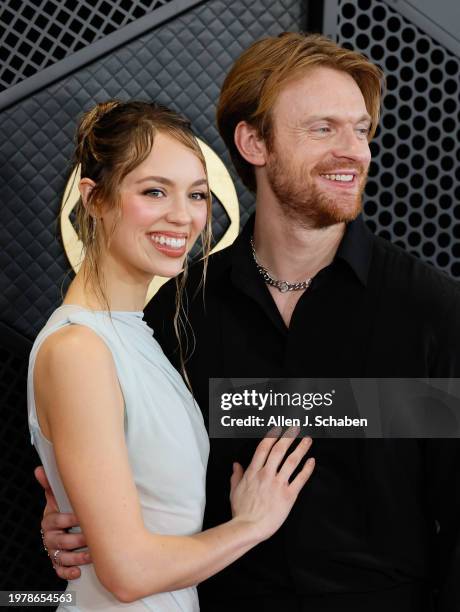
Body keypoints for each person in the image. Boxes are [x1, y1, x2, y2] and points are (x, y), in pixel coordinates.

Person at [38, 33, 460, 611]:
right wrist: (73, 508)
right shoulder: (177, 313)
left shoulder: (434, 313)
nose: (355, 151)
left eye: (360, 129)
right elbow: (138, 478)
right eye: (323, 128)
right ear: (254, 141)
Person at [28, 99, 316, 611]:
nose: (183, 216)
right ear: (94, 199)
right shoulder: (79, 349)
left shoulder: (139, 334)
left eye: (197, 195)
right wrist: (252, 524)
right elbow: (128, 573)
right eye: (154, 191)